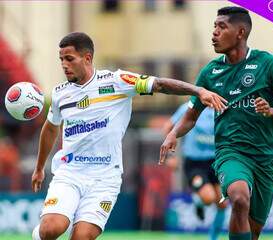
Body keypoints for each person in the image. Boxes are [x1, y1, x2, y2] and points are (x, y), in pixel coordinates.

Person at [31, 32, 227, 240]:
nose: (64, 64)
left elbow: (159, 84)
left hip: (105, 178)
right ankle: (39, 234)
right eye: (61, 59)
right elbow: (51, 128)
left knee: (82, 237)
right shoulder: (61, 93)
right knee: (51, 229)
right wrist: (39, 167)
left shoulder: (117, 81)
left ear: (87, 58)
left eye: (69, 59)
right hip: (70, 172)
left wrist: (198, 91)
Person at [159, 6, 273, 240]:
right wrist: (173, 134)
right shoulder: (210, 72)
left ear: (240, 32)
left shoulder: (269, 64)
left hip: (266, 156)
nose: (214, 32)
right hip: (230, 152)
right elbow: (190, 117)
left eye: (221, 26)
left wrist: (271, 111)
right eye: (214, 26)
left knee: (254, 230)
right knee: (238, 197)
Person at [163, 102, 227, 240]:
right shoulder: (190, 107)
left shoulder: (224, 108)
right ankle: (199, 201)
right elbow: (168, 126)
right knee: (209, 198)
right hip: (195, 163)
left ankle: (213, 238)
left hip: (216, 163)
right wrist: (170, 156)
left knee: (223, 204)